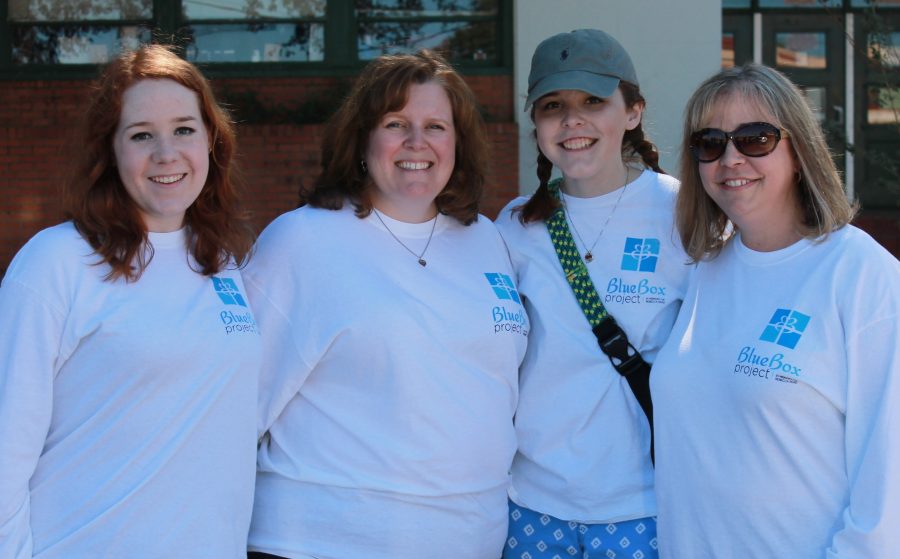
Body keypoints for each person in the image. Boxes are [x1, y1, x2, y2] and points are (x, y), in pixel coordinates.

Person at [244, 49, 528, 559]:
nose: (417, 143)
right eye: (396, 123)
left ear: (458, 143)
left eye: (436, 126)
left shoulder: (486, 239)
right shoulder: (302, 241)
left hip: (471, 539)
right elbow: (238, 407)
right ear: (362, 139)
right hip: (323, 542)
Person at [0, 45, 260, 558]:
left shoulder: (222, 263)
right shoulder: (57, 262)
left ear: (211, 140)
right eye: (142, 135)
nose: (167, 153)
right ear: (110, 151)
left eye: (184, 129)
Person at [651, 62, 900, 557]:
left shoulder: (860, 272)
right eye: (710, 143)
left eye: (755, 138)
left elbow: (889, 485)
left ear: (799, 149)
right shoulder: (706, 268)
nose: (730, 159)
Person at [494, 29, 689, 559]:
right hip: (530, 503)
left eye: (593, 102)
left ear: (632, 112)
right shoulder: (513, 226)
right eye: (553, 105)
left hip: (644, 506)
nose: (571, 120)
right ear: (534, 121)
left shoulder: (686, 214)